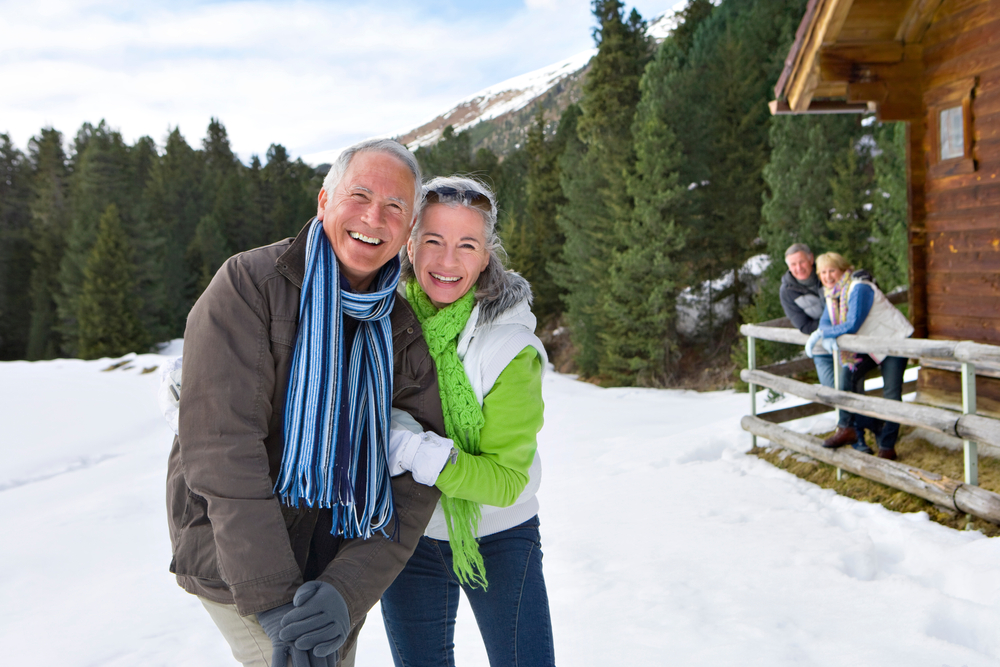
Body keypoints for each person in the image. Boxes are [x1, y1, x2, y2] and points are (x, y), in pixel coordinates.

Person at [165, 139, 446, 667]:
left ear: (408, 230)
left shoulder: (402, 332)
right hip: (236, 558)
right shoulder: (250, 286)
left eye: (395, 207)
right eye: (358, 196)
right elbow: (222, 449)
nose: (373, 217)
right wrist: (273, 600)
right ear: (323, 202)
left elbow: (417, 477)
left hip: (331, 568)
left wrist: (346, 588)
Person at [378, 176, 555, 667]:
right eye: (433, 240)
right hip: (409, 532)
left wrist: (415, 452)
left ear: (486, 255)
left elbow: (506, 480)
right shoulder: (380, 319)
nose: (448, 261)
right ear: (410, 244)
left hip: (499, 534)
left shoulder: (510, 347)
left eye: (466, 245)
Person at [807, 252, 913, 459]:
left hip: (894, 341)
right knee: (847, 377)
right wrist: (824, 331)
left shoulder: (859, 288)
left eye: (832, 271)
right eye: (822, 272)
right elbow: (826, 322)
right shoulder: (833, 295)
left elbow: (853, 323)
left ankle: (887, 446)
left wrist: (823, 334)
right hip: (870, 344)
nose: (828, 277)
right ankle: (848, 428)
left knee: (891, 395)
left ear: (844, 270)